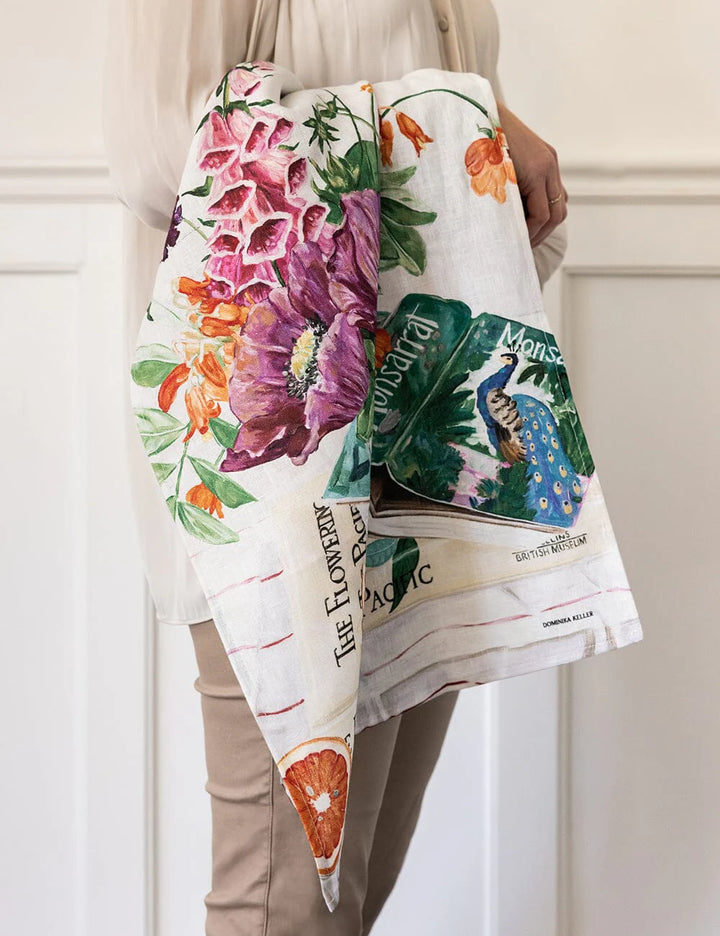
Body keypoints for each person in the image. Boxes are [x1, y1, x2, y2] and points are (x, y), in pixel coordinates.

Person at [102, 2, 569, 933]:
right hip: (277, 468)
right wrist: (462, 120)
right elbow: (158, 146)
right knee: (282, 909)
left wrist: (480, 124)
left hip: (424, 446)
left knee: (345, 902)